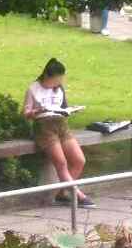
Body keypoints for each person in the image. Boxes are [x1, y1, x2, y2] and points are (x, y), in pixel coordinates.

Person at [23, 59, 95, 207]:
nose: (57, 83)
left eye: (60, 80)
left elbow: (63, 108)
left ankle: (63, 193)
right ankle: (79, 196)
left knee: (79, 160)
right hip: (44, 127)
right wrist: (38, 111)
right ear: (46, 76)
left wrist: (71, 110)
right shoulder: (33, 89)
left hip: (61, 124)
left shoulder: (59, 88)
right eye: (55, 80)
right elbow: (26, 114)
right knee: (61, 163)